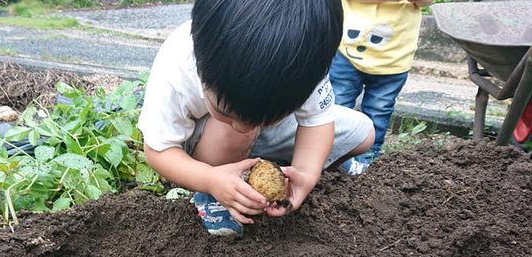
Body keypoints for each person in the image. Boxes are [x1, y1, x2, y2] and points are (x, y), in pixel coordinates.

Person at [138, 0, 374, 237]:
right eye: (227, 112)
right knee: (233, 131)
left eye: (264, 119)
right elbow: (158, 150)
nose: (243, 126)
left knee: (364, 133)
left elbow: (318, 120)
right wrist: (210, 179)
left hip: (268, 122)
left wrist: (306, 173)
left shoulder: (302, 63)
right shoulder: (178, 66)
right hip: (204, 142)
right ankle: (214, 196)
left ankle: (291, 164)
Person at [330, 0, 433, 174]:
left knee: (379, 110)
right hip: (348, 49)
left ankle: (367, 160)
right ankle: (332, 153)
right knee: (338, 105)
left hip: (393, 57)